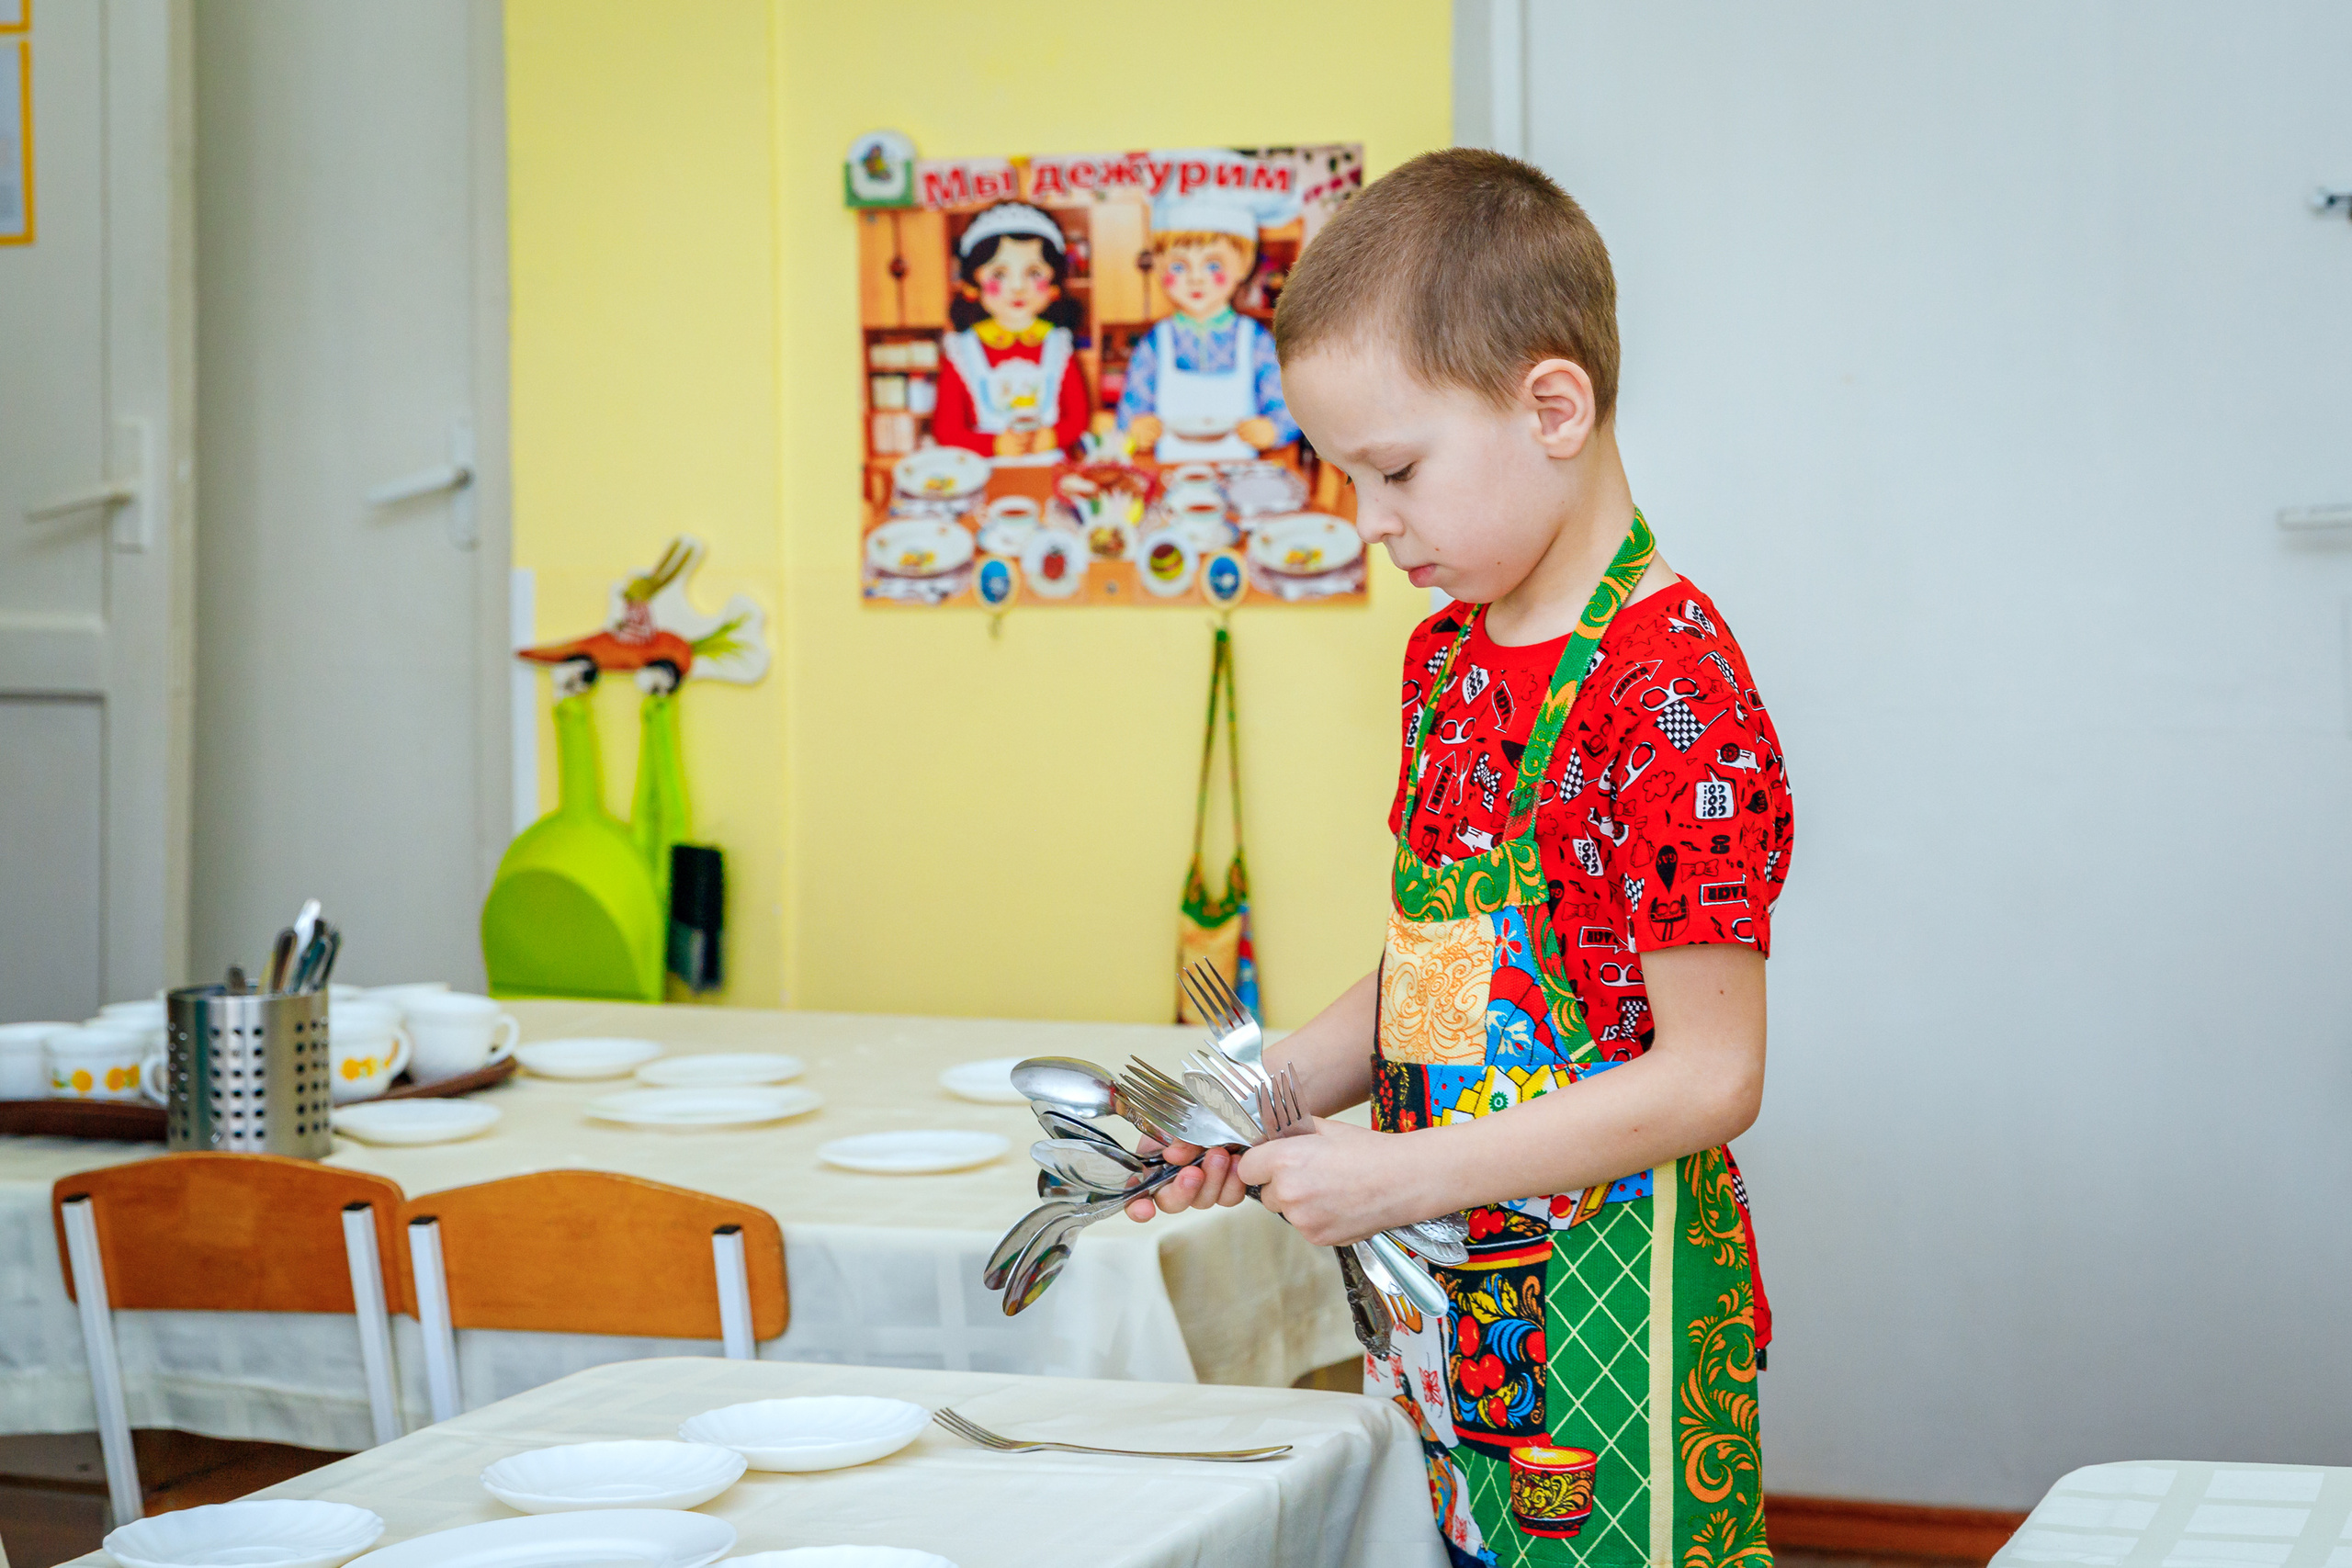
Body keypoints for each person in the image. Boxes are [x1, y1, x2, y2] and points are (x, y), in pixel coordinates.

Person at [1125, 149, 1791, 1568]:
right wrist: (1257, 1096)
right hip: (1453, 1307)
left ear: (1554, 405)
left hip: (1611, 1312)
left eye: (1396, 470)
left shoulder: (1671, 690)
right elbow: (1448, 976)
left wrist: (1399, 1176)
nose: (1370, 522)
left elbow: (1712, 1073)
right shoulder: (1452, 662)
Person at [1115, 184, 1302, 463]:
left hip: (1240, 476)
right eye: (1179, 267)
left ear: (1242, 265)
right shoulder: (1155, 344)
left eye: (1212, 265)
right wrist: (1135, 429)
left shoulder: (1256, 342)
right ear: (1159, 268)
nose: (1196, 279)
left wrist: (1274, 430)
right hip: (1172, 473)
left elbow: (1288, 404)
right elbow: (1129, 413)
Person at [931, 202, 1090, 465]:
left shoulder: (1057, 344)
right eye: (1000, 274)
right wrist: (993, 444)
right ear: (973, 283)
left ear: (1054, 283)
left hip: (1048, 466)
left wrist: (1051, 437)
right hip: (985, 469)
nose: (1017, 287)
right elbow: (947, 430)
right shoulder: (963, 350)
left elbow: (1077, 417)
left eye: (1034, 273)